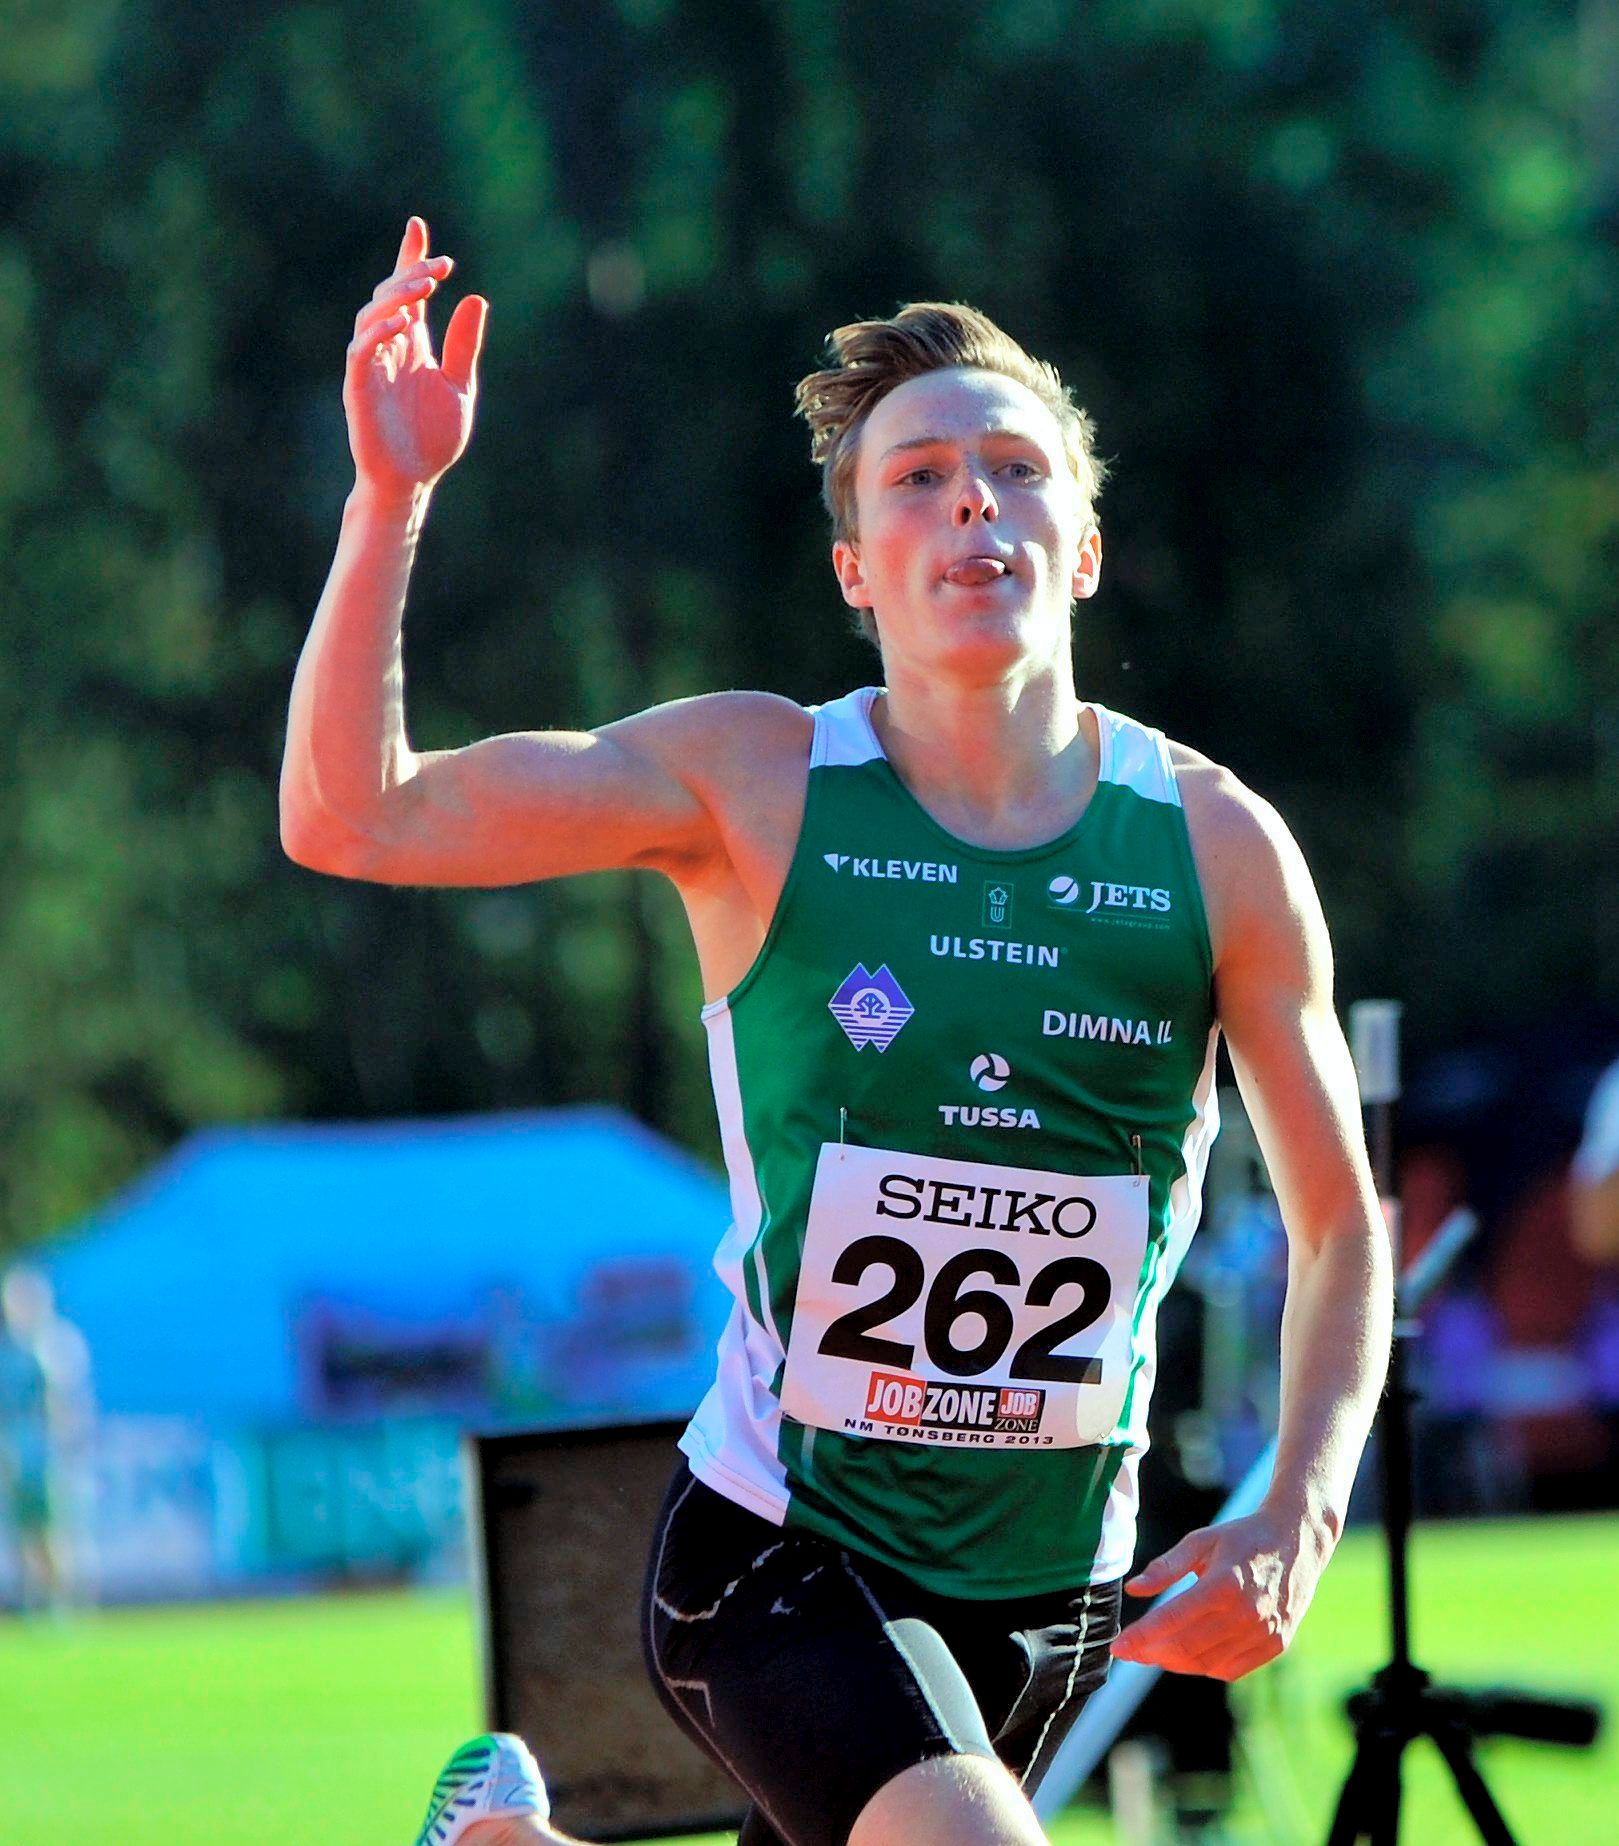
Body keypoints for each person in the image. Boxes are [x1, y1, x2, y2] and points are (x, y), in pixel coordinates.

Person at [281, 218, 1394, 1846]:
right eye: (917, 477)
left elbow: (1339, 1226)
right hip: (776, 1551)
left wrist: (1296, 1506)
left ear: (1083, 546)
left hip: (1048, 1598)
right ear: (854, 569)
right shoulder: (757, 786)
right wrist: (389, 498)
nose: (971, 502)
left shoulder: (1215, 846)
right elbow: (351, 816)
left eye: (1013, 470)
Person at [0, 1265, 93, 1615]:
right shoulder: (8, 1350)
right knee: (23, 1532)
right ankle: (33, 1599)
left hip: (49, 1454)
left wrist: (66, 1446)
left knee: (56, 1531)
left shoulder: (55, 1344)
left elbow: (66, 1403)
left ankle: (64, 1603)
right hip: (15, 1453)